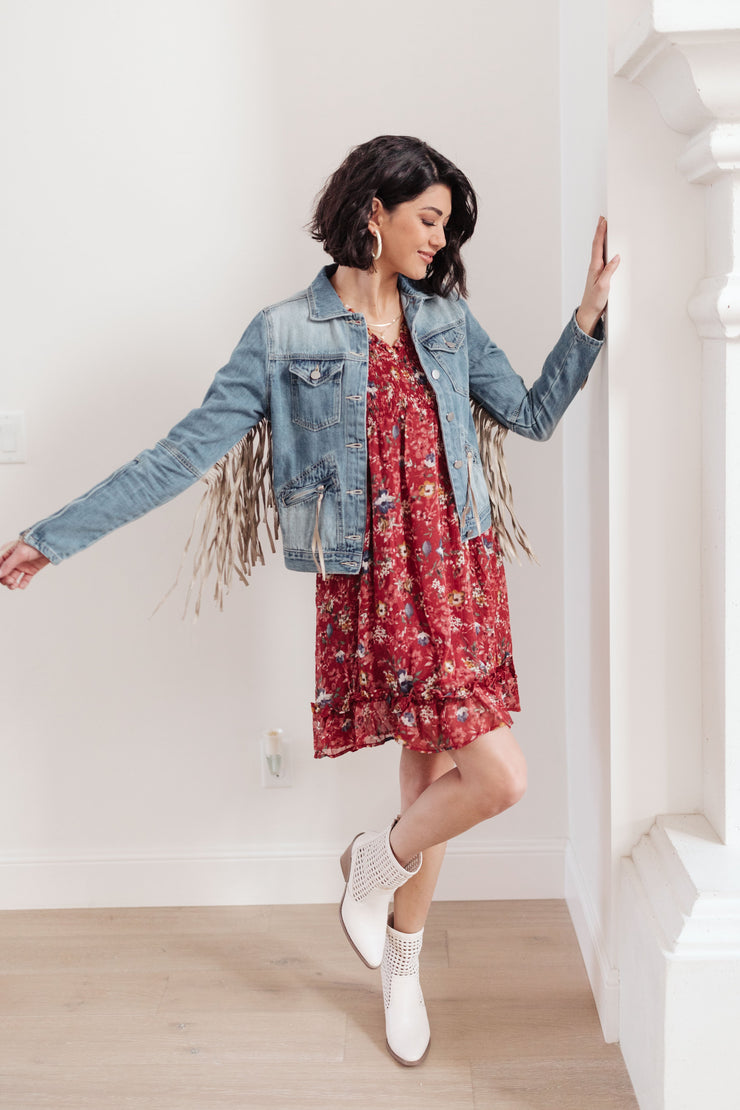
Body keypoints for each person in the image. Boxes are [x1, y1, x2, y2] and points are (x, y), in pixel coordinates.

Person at [0, 135, 618, 1067]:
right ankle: (374, 875)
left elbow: (529, 414)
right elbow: (181, 453)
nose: (439, 241)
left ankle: (395, 943)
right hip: (375, 584)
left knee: (438, 782)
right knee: (494, 777)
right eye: (428, 220)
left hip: (460, 573)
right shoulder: (284, 333)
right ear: (374, 210)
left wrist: (588, 318)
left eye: (446, 227)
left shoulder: (445, 320)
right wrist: (54, 536)